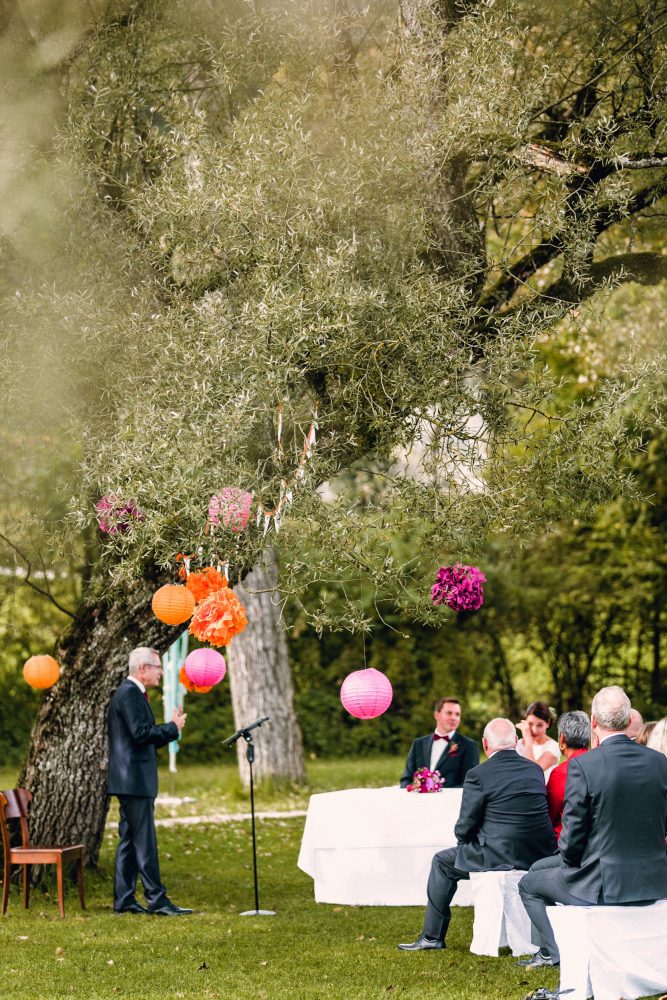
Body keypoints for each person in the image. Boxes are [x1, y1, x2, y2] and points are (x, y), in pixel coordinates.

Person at [517, 685, 667, 970]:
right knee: (542, 870)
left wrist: (571, 864)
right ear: (627, 720)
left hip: (602, 885)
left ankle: (552, 953)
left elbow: (572, 840)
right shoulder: (659, 762)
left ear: (594, 722)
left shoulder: (584, 765)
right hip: (654, 880)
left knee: (528, 885)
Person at [397, 718, 557, 951]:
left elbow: (465, 825)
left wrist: (465, 843)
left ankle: (432, 937)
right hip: (537, 852)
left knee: (441, 862)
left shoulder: (478, 774)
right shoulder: (534, 769)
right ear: (516, 741)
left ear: (485, 744)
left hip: (497, 855)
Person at [107, 646, 191, 916]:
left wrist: (170, 729)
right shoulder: (129, 693)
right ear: (143, 668)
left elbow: (141, 737)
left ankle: (124, 899)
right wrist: (172, 728)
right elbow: (141, 733)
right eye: (158, 667)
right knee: (144, 842)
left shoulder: (131, 693)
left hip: (131, 779)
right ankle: (157, 900)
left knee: (130, 840)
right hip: (133, 780)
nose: (161, 673)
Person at [400, 697, 479, 789]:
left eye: (457, 714)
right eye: (449, 713)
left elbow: (470, 783)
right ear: (437, 715)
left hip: (451, 798)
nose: (454, 718)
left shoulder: (468, 745)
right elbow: (406, 779)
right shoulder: (418, 744)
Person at [546, 711, 589, 839]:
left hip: (567, 841)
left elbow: (550, 816)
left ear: (562, 739)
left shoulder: (561, 772)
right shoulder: (600, 763)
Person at [516, 701, 559, 780]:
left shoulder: (554, 747)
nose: (534, 730)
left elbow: (533, 770)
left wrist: (528, 739)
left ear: (548, 723)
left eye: (539, 725)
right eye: (530, 724)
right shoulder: (518, 744)